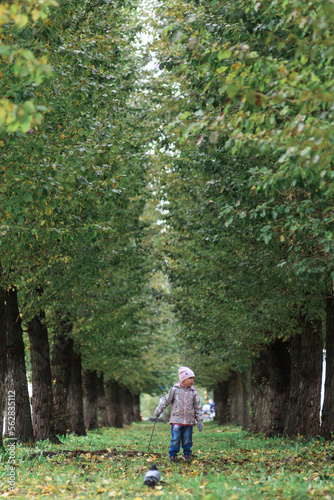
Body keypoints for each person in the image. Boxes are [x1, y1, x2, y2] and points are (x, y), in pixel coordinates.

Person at [154, 366, 203, 462]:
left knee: (188, 439)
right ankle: (173, 454)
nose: (192, 380)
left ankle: (187, 454)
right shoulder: (174, 390)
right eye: (190, 378)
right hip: (176, 420)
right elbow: (166, 401)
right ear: (183, 379)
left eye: (193, 378)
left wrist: (200, 420)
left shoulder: (194, 393)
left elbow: (198, 407)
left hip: (189, 421)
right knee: (175, 438)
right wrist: (158, 410)